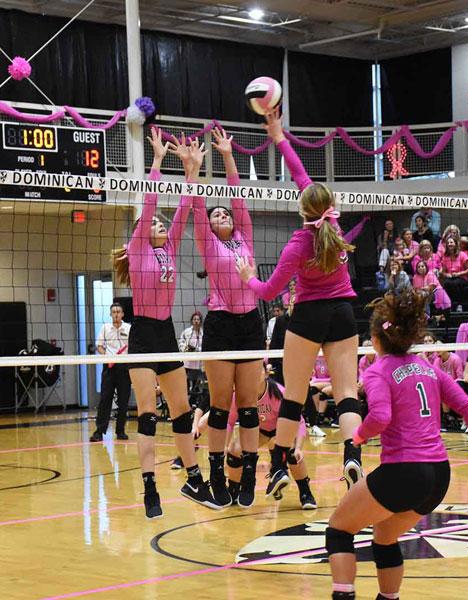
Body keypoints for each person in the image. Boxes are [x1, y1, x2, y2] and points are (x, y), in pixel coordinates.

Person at [325, 290, 468, 600]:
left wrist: (358, 439)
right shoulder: (429, 368)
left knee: (339, 531)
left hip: (404, 472)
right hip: (439, 476)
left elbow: (380, 416)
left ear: (377, 338)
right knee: (385, 536)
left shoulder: (377, 370)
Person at [238, 108, 364, 501]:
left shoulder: (299, 242)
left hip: (309, 316)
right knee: (346, 393)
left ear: (303, 209)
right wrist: (279, 137)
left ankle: (277, 465)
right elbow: (302, 176)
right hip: (344, 312)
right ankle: (351, 453)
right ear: (330, 205)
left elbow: (270, 289)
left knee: (293, 395)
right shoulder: (335, 229)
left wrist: (248, 279)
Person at [111, 130, 218, 518]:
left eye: (159, 224)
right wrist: (157, 160)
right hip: (142, 335)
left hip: (166, 332)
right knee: (147, 414)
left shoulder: (171, 245)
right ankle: (149, 489)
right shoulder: (140, 248)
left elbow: (185, 209)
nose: (158, 225)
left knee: (183, 411)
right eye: (153, 223)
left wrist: (193, 170)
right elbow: (150, 199)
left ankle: (193, 477)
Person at [192, 127, 266, 509]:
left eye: (225, 213)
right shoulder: (208, 244)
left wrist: (227, 155)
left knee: (249, 405)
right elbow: (195, 205)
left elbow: (239, 198)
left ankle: (250, 473)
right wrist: (194, 170)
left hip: (250, 322)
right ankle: (216, 474)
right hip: (220, 324)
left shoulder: (247, 238)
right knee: (221, 406)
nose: (221, 215)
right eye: (215, 213)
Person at [216, 366, 318, 510]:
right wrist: (224, 446)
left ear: (266, 373)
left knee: (292, 453)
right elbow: (230, 421)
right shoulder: (239, 394)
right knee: (234, 449)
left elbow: (299, 420)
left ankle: (305, 493)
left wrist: (299, 448)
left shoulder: (278, 393)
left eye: (260, 369)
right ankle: (233, 489)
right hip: (260, 431)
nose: (256, 373)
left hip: (281, 430)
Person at [90, 303, 132, 442]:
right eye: (113, 312)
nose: (116, 314)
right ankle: (99, 431)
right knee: (105, 399)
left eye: (118, 311)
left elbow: (132, 346)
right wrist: (107, 357)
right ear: (110, 314)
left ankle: (120, 431)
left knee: (123, 401)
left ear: (122, 314)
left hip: (124, 368)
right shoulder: (105, 328)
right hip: (109, 368)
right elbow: (99, 346)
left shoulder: (129, 328)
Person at [179, 310, 205, 402]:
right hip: (188, 362)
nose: (196, 321)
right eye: (194, 319)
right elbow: (181, 343)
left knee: (196, 383)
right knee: (185, 380)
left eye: (198, 319)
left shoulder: (203, 333)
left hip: (199, 363)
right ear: (192, 320)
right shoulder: (186, 332)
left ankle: (194, 400)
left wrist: (197, 349)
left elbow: (205, 346)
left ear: (200, 321)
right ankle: (186, 399)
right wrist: (185, 348)